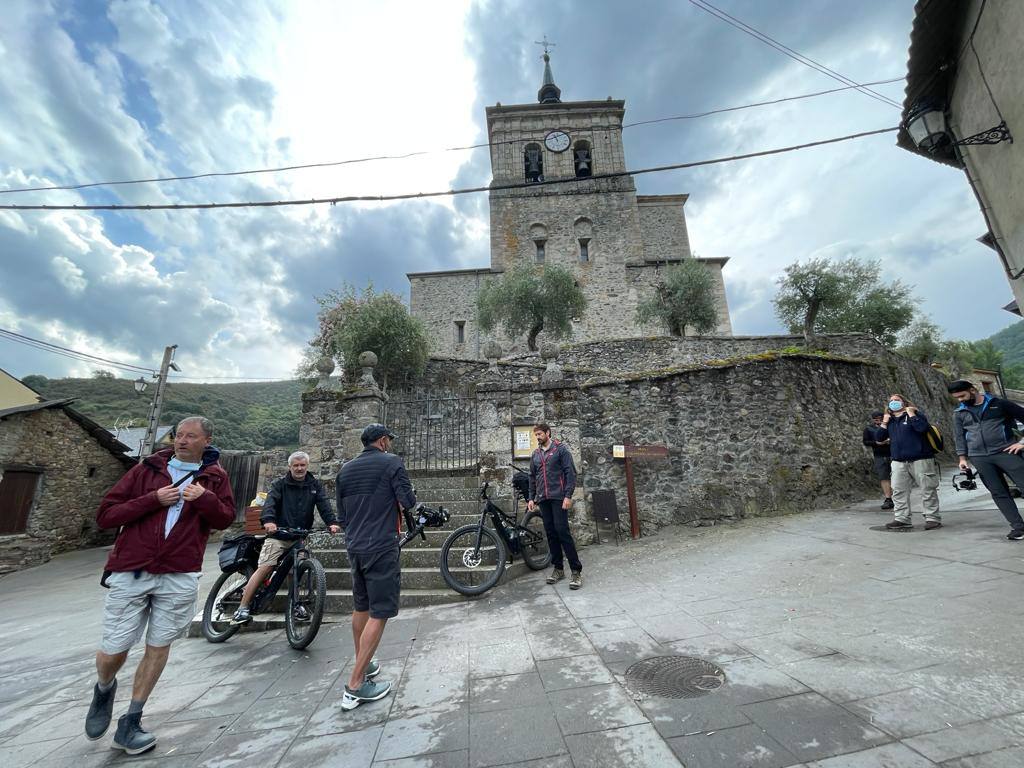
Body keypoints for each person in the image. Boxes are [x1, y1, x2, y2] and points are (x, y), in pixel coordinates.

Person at [85, 416, 235, 755]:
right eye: (178, 435)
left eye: (190, 436)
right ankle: (105, 687)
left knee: (159, 644)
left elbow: (225, 518)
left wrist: (205, 500)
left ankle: (132, 720)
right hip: (132, 570)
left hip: (180, 572)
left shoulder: (214, 477)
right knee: (114, 648)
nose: (181, 441)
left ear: (206, 440)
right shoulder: (147, 471)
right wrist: (153, 499)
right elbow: (106, 515)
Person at [335, 423, 416, 710]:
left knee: (362, 607)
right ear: (382, 441)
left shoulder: (345, 469)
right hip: (381, 545)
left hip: (355, 546)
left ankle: (364, 663)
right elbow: (408, 501)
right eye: (388, 441)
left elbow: (341, 515)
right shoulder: (392, 463)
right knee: (380, 612)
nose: (390, 445)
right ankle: (356, 685)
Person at [232, 451, 340, 624]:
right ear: (290, 467)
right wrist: (269, 521)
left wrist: (332, 522)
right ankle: (242, 608)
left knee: (296, 570)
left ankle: (296, 605)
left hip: (300, 536)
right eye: (296, 465)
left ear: (307, 466)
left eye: (302, 465)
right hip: (279, 535)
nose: (299, 468)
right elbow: (270, 503)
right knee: (266, 567)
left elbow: (324, 504)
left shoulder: (314, 485)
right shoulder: (279, 484)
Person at [948, 380, 1024, 540]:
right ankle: (1018, 527)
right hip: (979, 458)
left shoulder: (1000, 404)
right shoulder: (959, 413)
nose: (960, 400)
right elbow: (959, 437)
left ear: (973, 390)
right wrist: (962, 458)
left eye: (962, 395)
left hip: (1006, 452)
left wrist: (1022, 443)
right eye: (957, 398)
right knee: (998, 492)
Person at [527, 422, 582, 589]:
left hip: (559, 497)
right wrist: (531, 498)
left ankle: (576, 571)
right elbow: (532, 477)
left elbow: (570, 473)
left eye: (540, 434)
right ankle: (558, 569)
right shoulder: (535, 454)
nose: (537, 437)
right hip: (543, 499)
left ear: (547, 433)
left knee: (562, 531)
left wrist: (568, 495)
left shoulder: (561, 450)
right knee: (550, 533)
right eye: (535, 435)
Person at [879, 393, 941, 531]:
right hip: (898, 461)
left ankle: (932, 518)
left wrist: (912, 414)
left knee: (927, 489)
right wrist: (884, 422)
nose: (894, 402)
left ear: (904, 403)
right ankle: (902, 519)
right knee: (898, 491)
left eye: (897, 400)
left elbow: (922, 428)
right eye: (891, 401)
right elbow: (879, 438)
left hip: (921, 458)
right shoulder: (890, 421)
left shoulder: (916, 415)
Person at [863, 411, 893, 510]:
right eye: (876, 419)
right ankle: (888, 499)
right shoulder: (868, 429)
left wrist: (890, 441)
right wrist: (876, 443)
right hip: (879, 455)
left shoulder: (890, 426)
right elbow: (866, 442)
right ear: (873, 419)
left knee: (897, 476)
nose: (878, 421)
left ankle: (898, 498)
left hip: (893, 454)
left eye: (880, 418)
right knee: (884, 477)